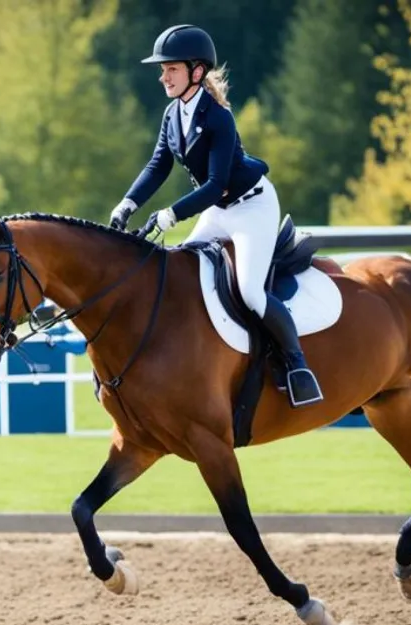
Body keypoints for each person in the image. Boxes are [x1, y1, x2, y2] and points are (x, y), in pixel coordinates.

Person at [108, 24, 323, 408]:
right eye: (163, 70)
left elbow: (214, 184)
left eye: (170, 69)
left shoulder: (219, 117)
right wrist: (127, 204)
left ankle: (297, 366)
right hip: (218, 210)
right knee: (180, 276)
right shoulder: (172, 114)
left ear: (196, 71)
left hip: (251, 207)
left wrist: (170, 215)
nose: (162, 77)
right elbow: (158, 165)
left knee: (250, 291)